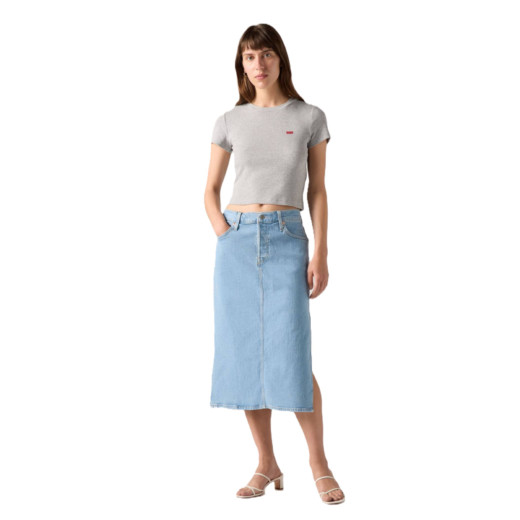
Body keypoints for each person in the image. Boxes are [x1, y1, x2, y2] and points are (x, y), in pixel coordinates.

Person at [204, 23, 345, 505]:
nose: (258, 64)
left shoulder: (309, 117)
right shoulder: (229, 120)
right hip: (237, 244)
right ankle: (266, 462)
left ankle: (319, 463)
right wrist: (225, 233)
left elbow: (317, 190)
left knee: (291, 351)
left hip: (287, 238)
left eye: (265, 54)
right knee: (246, 354)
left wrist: (320, 251)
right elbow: (210, 190)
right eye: (248, 57)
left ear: (280, 58)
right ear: (241, 66)